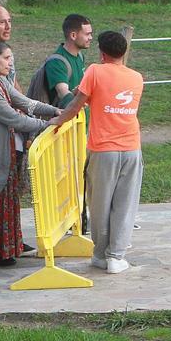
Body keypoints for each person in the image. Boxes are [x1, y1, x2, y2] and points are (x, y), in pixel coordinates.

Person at [50, 31, 144, 274]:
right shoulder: (137, 78)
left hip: (103, 149)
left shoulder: (94, 71)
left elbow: (76, 104)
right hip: (131, 148)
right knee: (125, 203)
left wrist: (58, 120)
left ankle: (102, 253)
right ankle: (116, 255)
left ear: (102, 53)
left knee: (99, 203)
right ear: (123, 52)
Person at [0, 41, 59, 268]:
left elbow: (25, 103)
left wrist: (54, 110)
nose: (10, 63)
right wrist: (47, 124)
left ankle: (4, 252)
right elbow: (15, 118)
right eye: (7, 58)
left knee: (6, 202)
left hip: (4, 155)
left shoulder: (0, 82)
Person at [44, 14, 93, 108]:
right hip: (66, 119)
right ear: (73, 35)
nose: (91, 38)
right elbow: (63, 93)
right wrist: (79, 104)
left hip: (80, 119)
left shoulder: (80, 56)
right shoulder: (56, 62)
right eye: (87, 34)